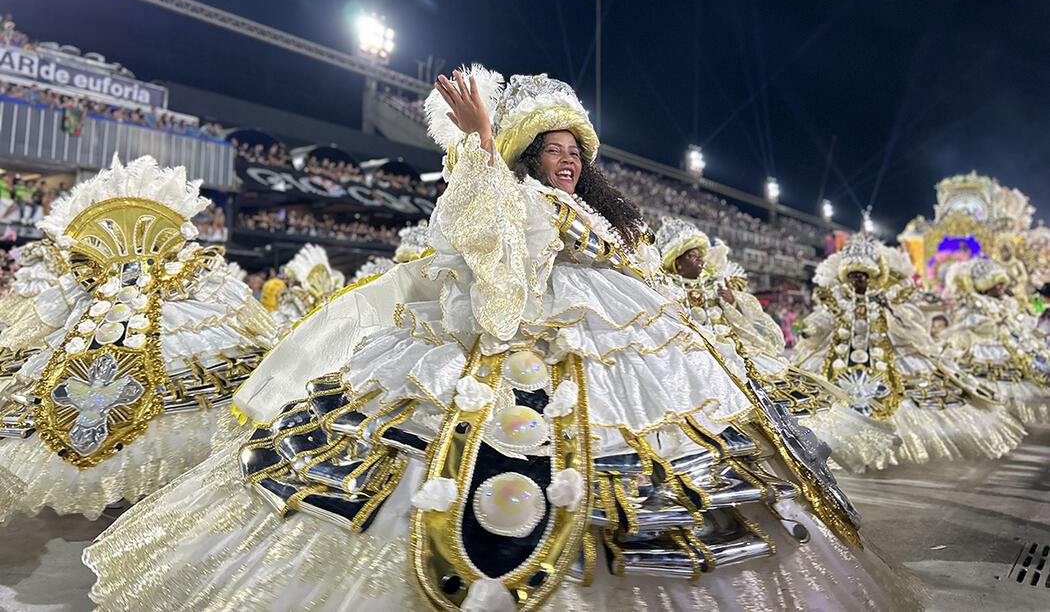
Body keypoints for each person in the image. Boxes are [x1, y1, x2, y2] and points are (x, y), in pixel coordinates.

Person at [84, 68, 912, 611]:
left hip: (629, 351)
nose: (562, 163)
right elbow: (491, 248)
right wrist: (483, 140)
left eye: (572, 153)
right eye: (548, 151)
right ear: (526, 158)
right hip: (521, 341)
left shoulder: (596, 212)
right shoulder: (515, 197)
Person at [0, 156, 279, 524]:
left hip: (106, 328)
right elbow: (243, 310)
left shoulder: (117, 278)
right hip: (145, 329)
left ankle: (135, 484)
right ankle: (145, 485)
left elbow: (42, 316)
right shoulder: (191, 271)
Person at [656, 217, 897, 473]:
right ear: (677, 261)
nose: (701, 261)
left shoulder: (716, 283)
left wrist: (733, 302)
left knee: (781, 402)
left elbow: (749, 317)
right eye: (693, 257)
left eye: (700, 255)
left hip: (735, 355)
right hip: (697, 359)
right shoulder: (666, 288)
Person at [795, 236, 1024, 467]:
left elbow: (906, 322)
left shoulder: (882, 299)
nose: (857, 281)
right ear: (846, 278)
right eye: (853, 276)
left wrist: (894, 314)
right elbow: (824, 320)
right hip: (841, 355)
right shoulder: (839, 299)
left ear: (871, 277)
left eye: (862, 276)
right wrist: (811, 330)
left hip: (883, 353)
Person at [942, 257, 1050, 425]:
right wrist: (994, 325)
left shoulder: (1009, 302)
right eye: (996, 285)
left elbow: (1020, 321)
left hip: (1015, 341)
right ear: (986, 287)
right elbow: (969, 323)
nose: (1001, 288)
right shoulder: (978, 304)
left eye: (1002, 283)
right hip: (989, 343)